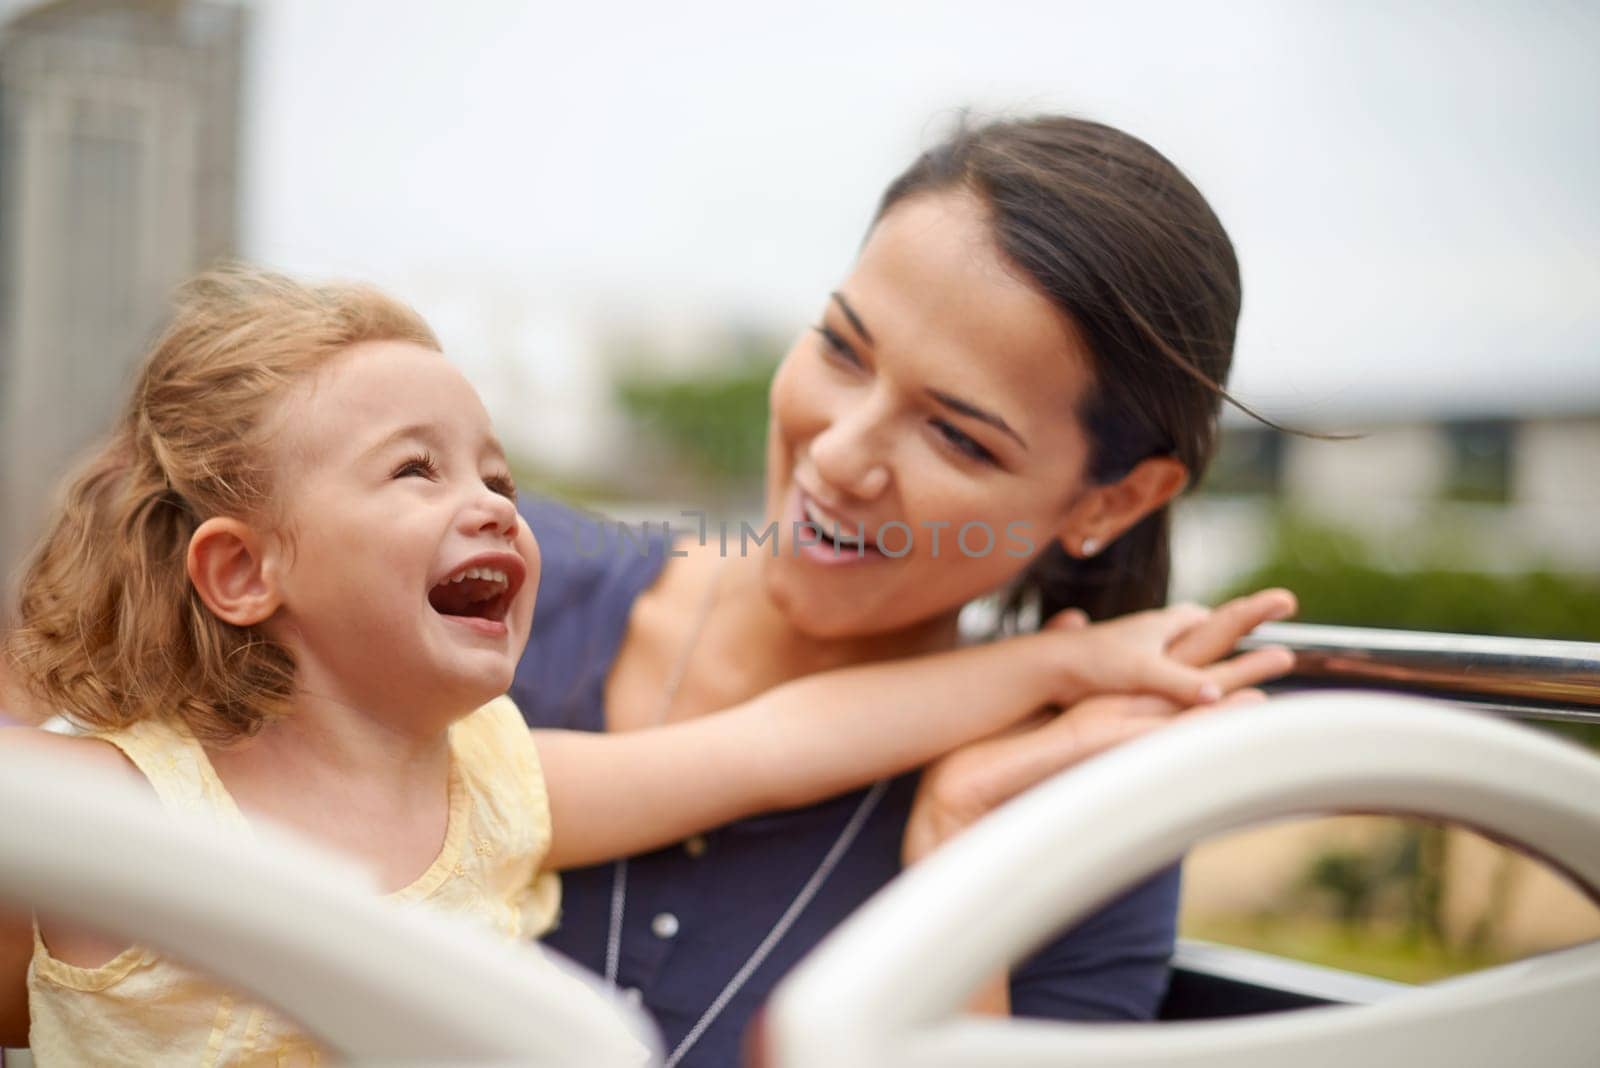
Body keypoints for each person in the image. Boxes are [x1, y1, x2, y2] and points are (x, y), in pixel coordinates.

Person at [0, 265, 1277, 1064]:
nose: (501, 506)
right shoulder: (129, 806)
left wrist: (1061, 663)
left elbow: (779, 744)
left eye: (497, 473)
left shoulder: (494, 791)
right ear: (240, 574)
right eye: (416, 469)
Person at [513, 113, 1296, 1067]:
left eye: (958, 435)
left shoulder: (1074, 826)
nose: (840, 454)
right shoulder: (491, 586)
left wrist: (960, 865)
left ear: (1116, 499)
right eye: (842, 349)